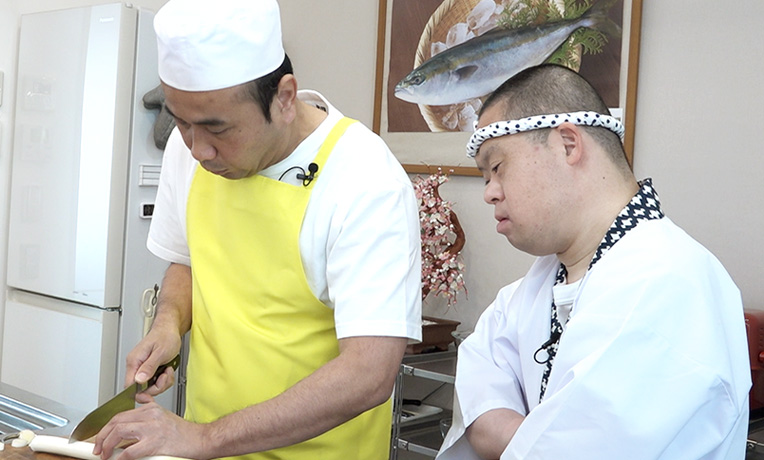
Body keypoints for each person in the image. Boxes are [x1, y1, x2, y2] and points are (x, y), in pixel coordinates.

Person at [92, 1, 422, 459]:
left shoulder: (365, 179)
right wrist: (168, 324)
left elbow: (369, 373)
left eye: (218, 129)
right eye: (182, 123)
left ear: (284, 97)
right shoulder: (190, 148)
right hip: (206, 447)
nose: (199, 150)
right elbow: (187, 261)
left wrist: (204, 438)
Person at [436, 64, 751, 460]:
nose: (490, 194)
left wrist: (520, 435)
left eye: (497, 168)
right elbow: (480, 388)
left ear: (568, 144)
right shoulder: (538, 284)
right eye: (486, 179)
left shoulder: (668, 282)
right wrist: (535, 436)